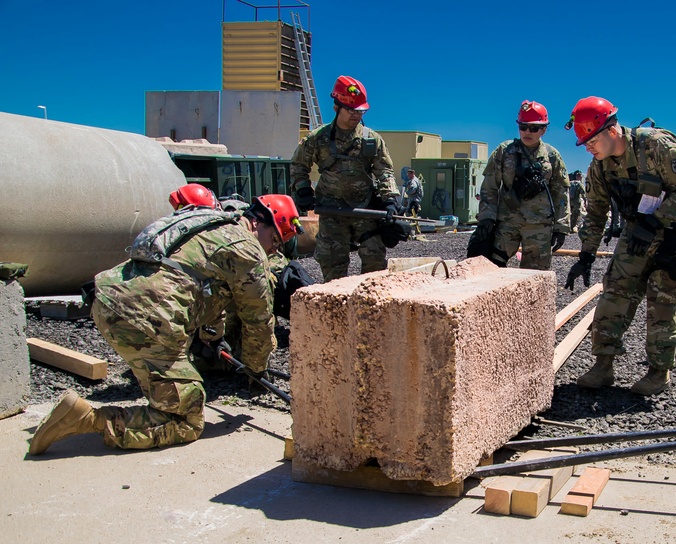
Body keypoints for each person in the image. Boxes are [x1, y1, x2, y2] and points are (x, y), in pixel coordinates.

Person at [29, 195, 302, 455]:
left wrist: (214, 337)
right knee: (186, 419)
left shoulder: (212, 225)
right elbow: (258, 322)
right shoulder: (248, 249)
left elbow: (207, 288)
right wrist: (256, 368)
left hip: (111, 301)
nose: (273, 249)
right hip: (146, 321)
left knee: (181, 386)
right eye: (275, 240)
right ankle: (87, 419)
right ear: (258, 223)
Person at [564, 96, 676, 396]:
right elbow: (595, 211)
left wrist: (656, 223)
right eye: (585, 142)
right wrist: (587, 255)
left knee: (662, 294)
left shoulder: (655, 146)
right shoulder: (600, 167)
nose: (589, 147)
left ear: (612, 130)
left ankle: (659, 372)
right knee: (616, 289)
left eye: (591, 140)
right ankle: (603, 366)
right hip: (639, 227)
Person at [290, 75, 405, 282]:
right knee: (332, 264)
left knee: (375, 263)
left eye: (361, 111)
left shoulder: (371, 139)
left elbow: (385, 172)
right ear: (337, 107)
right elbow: (298, 166)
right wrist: (303, 191)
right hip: (331, 210)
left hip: (366, 210)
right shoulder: (318, 139)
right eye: (352, 110)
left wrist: (390, 201)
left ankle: (370, 308)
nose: (356, 115)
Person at [474, 100, 571, 270]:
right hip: (507, 222)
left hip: (539, 226)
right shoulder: (504, 151)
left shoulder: (552, 156)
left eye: (534, 128)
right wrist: (486, 218)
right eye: (523, 126)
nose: (527, 132)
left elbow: (561, 192)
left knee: (535, 275)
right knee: (492, 267)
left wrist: (561, 227)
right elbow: (490, 187)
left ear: (544, 129)